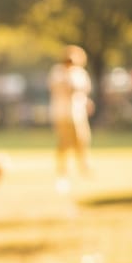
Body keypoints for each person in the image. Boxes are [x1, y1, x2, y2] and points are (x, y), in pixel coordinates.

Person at [48, 45, 92, 181]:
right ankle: (62, 167)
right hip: (61, 113)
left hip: (77, 112)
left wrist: (87, 102)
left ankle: (83, 165)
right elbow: (58, 88)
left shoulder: (80, 73)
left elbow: (83, 91)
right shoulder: (57, 72)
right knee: (64, 142)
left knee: (82, 139)